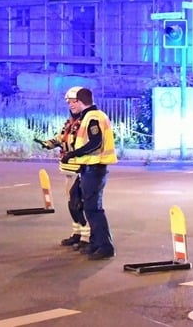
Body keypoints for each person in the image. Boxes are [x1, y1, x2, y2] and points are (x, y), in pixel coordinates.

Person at [61, 87, 117, 260]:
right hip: (87, 168)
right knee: (78, 200)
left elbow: (96, 142)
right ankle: (95, 243)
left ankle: (105, 246)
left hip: (95, 168)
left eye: (72, 101)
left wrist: (74, 153)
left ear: (79, 100)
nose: (71, 105)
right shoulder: (89, 116)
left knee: (94, 209)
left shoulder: (93, 117)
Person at [40, 86, 90, 251]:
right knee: (72, 203)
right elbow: (63, 137)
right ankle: (77, 233)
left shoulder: (86, 121)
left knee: (79, 204)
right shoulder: (71, 122)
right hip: (68, 169)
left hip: (81, 169)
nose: (71, 105)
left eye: (74, 101)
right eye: (69, 102)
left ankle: (86, 236)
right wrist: (49, 143)